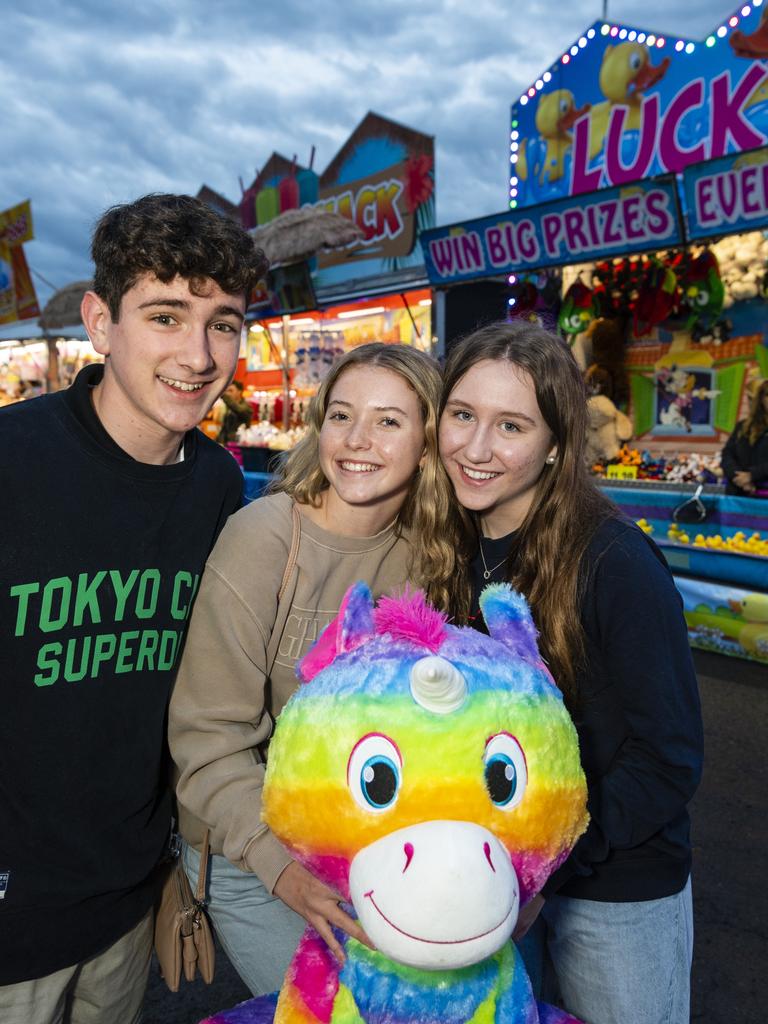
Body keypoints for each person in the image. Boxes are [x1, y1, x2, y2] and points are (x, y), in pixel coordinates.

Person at [0, 193, 267, 1023]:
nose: (198, 354)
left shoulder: (217, 486)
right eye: (165, 315)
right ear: (100, 322)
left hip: (123, 906)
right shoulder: (12, 462)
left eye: (222, 322)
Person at [438, 320, 703, 1024]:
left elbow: (668, 758)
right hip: (496, 890)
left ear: (556, 445)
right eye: (463, 415)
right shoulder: (451, 550)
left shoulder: (614, 562)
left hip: (615, 887)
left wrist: (547, 870)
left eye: (511, 426)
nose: (476, 447)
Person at [169, 342, 454, 996]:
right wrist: (281, 867)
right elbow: (206, 742)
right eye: (341, 415)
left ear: (429, 443)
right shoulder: (265, 539)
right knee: (351, 1007)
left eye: (388, 421)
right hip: (248, 847)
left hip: (361, 841)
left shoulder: (428, 553)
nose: (357, 440)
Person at [721, 377, 768, 496]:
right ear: (761, 399)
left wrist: (752, 476)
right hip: (738, 494)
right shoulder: (743, 426)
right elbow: (727, 454)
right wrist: (740, 479)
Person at [217, 379, 253, 444]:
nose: (228, 393)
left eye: (231, 391)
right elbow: (224, 429)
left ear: (239, 391)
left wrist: (222, 395)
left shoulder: (246, 406)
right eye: (226, 391)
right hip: (226, 444)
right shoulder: (229, 406)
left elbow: (239, 410)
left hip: (238, 445)